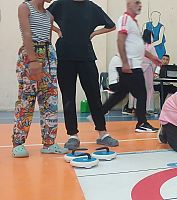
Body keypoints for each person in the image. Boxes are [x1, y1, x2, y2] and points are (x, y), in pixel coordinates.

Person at [47, 0, 118, 150]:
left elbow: (111, 25)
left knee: (94, 95)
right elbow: (44, 16)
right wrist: (57, 31)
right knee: (68, 97)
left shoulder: (92, 8)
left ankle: (102, 133)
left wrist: (94, 33)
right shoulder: (61, 4)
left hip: (86, 56)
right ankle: (73, 135)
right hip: (65, 56)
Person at [12, 0, 68, 157]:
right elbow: (26, 34)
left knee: (50, 100)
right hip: (31, 55)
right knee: (26, 100)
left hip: (48, 55)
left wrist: (47, 59)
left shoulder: (49, 15)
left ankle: (49, 143)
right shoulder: (25, 7)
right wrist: (33, 59)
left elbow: (48, 39)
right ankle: (18, 143)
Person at [101, 0, 160, 133]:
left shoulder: (133, 22)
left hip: (133, 64)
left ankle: (98, 114)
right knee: (141, 94)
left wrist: (152, 57)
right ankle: (142, 123)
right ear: (128, 4)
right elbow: (120, 40)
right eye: (136, 2)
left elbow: (136, 46)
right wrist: (125, 62)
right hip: (130, 65)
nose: (140, 5)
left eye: (140, 3)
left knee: (121, 93)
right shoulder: (125, 19)